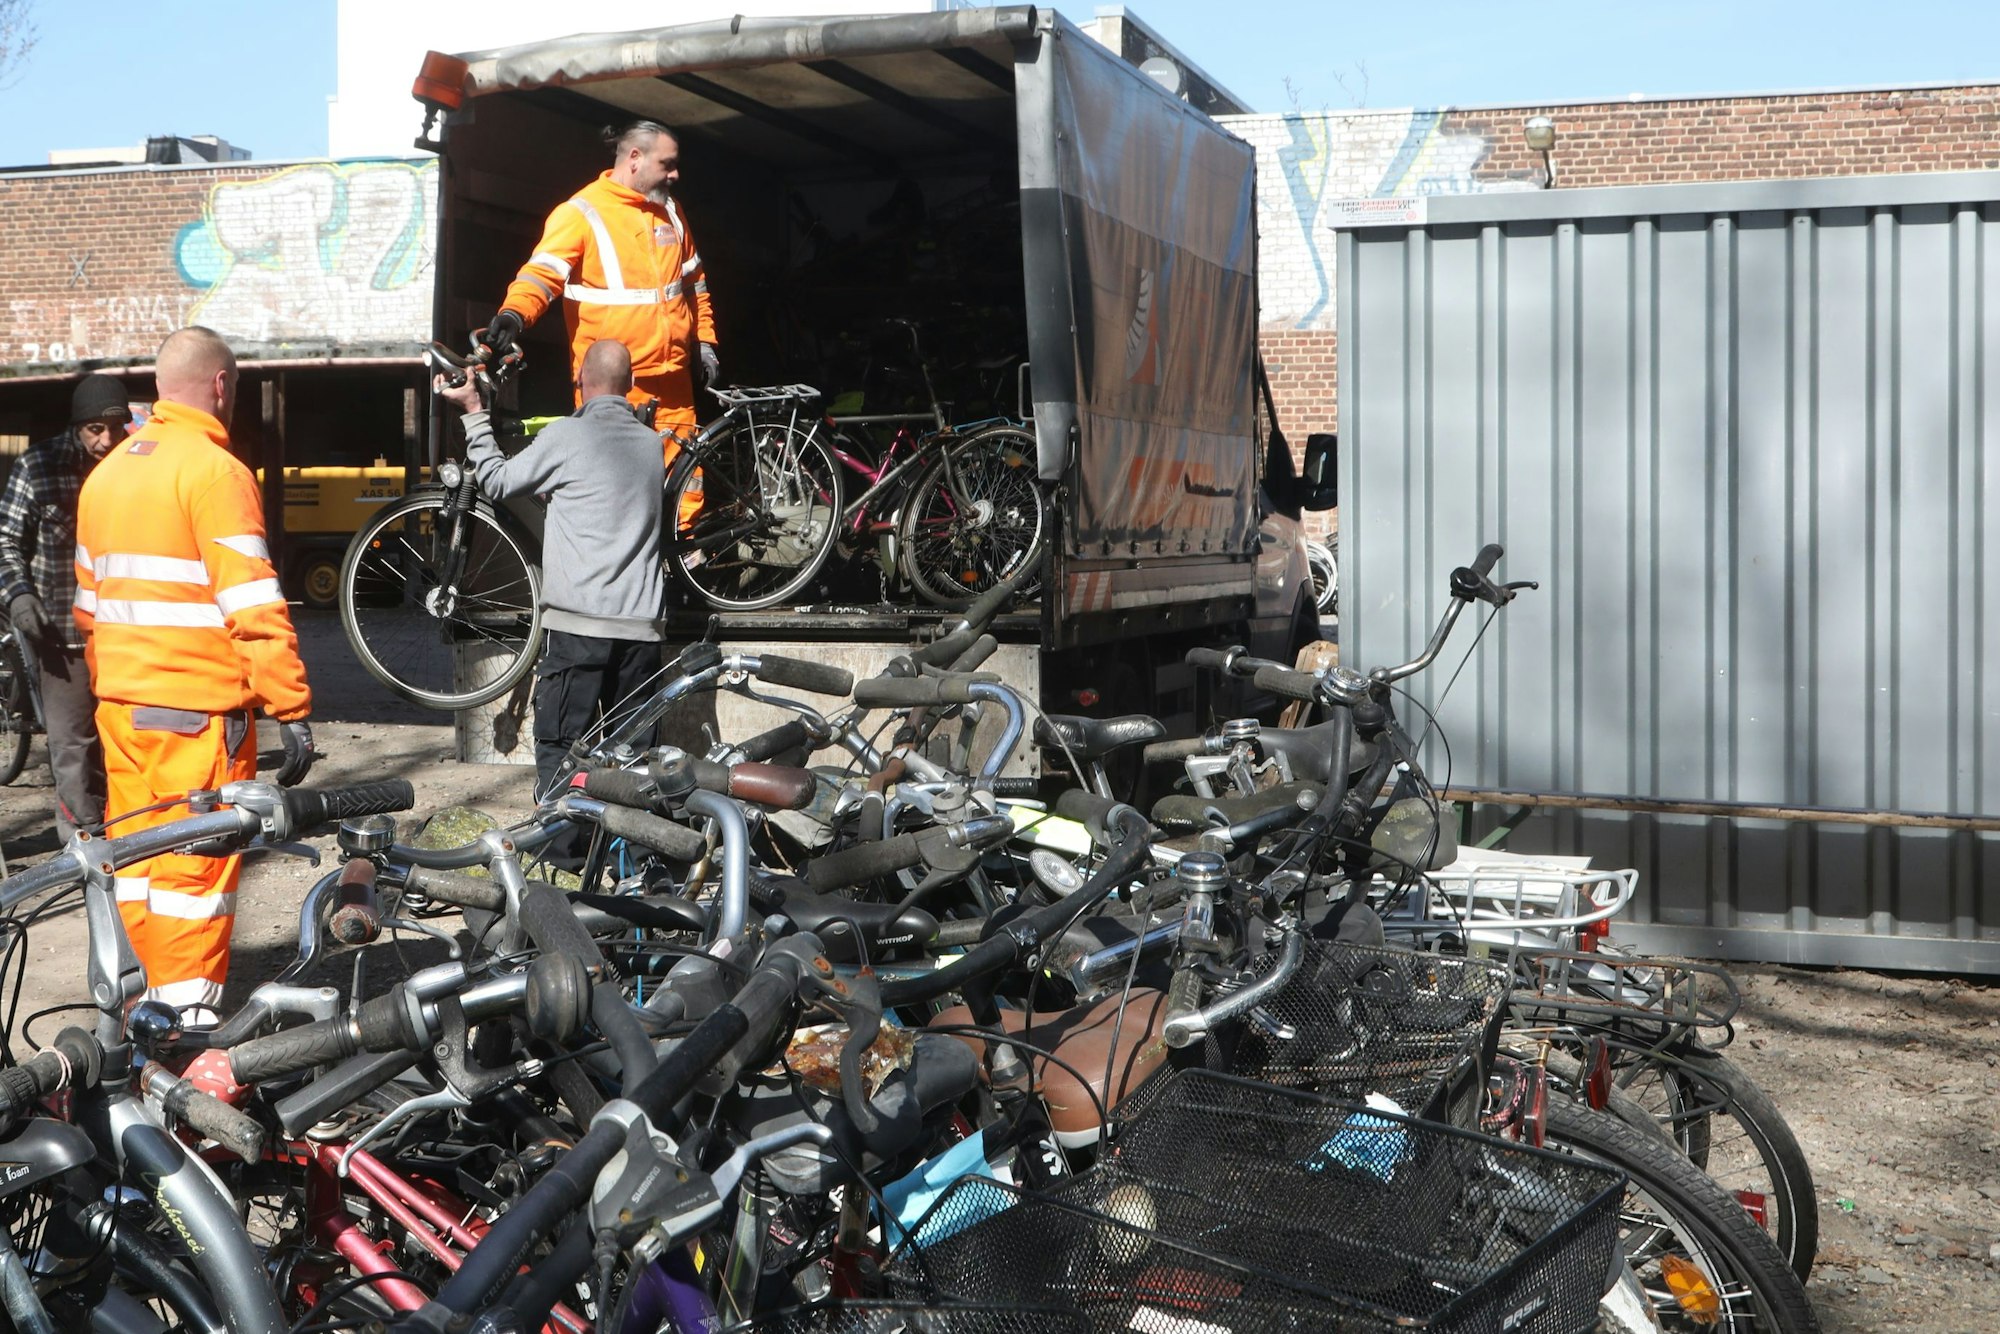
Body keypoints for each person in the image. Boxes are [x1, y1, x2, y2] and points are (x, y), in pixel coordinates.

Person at [73, 327, 317, 1019]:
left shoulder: (108, 474)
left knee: (139, 864)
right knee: (194, 869)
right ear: (220, 386)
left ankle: (138, 1007)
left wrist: (117, 683)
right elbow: (251, 601)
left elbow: (91, 614)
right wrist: (290, 707)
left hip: (121, 710)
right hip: (193, 714)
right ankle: (183, 1026)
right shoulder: (215, 472)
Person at [435, 339, 666, 821]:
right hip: (641, 632)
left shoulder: (564, 437)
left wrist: (475, 412)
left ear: (581, 380)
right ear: (629, 384)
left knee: (561, 751)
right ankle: (635, 868)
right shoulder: (650, 445)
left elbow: (496, 482)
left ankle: (564, 864)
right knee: (634, 761)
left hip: (578, 628)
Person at [477, 119, 720, 451]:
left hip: (673, 380)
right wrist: (515, 314)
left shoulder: (671, 211)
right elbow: (541, 274)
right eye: (668, 165)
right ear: (635, 157)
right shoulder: (581, 213)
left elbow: (694, 285)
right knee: (617, 491)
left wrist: (703, 342)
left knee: (685, 492)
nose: (675, 175)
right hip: (614, 387)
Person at [0, 374, 128, 840]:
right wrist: (19, 595)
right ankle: (84, 845)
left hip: (127, 632)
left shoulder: (138, 463)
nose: (106, 440)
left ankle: (132, 834)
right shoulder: (38, 465)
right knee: (72, 742)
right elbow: (6, 541)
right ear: (77, 426)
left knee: (125, 737)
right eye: (95, 428)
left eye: (116, 427)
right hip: (62, 634)